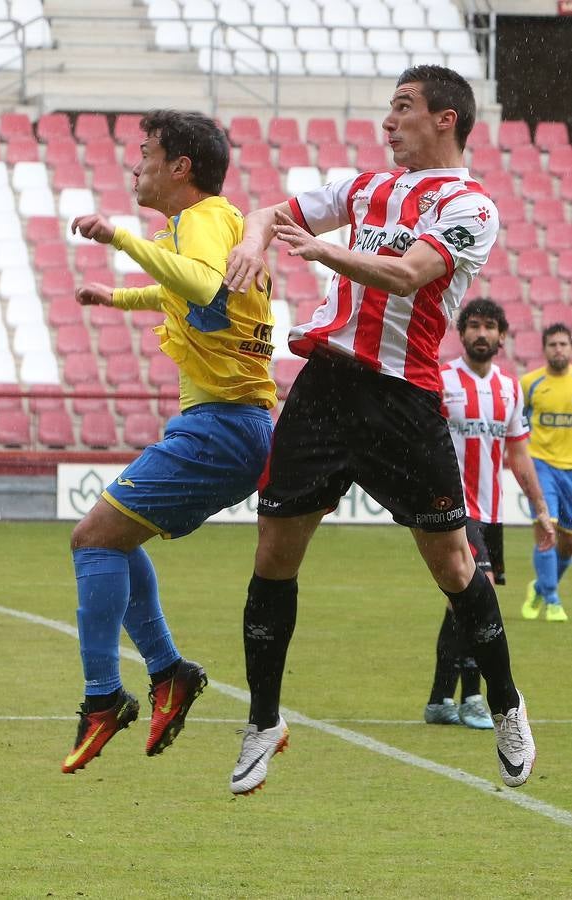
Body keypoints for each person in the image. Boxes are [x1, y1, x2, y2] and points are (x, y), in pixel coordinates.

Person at [223, 65, 537, 795]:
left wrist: (320, 249)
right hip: (325, 386)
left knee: (455, 567)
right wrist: (254, 239)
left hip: (401, 398)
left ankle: (505, 703)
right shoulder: (365, 186)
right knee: (273, 551)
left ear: (445, 119)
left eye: (403, 108)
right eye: (388, 109)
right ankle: (264, 720)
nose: (387, 121)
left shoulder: (470, 205)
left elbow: (406, 275)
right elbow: (271, 210)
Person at [61, 110, 276, 774]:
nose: (136, 164)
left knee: (93, 539)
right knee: (115, 537)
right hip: (229, 426)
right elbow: (197, 301)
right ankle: (169, 674)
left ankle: (106, 696)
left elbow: (205, 287)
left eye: (145, 152)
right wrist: (116, 298)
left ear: (180, 166)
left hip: (223, 426)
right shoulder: (219, 225)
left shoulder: (204, 221)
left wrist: (121, 240)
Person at [425, 300, 554, 730]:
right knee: (477, 602)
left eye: (490, 327)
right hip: (453, 510)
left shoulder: (510, 389)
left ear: (502, 336)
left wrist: (540, 511)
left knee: (461, 604)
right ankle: (474, 698)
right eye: (474, 325)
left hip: (492, 512)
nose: (482, 333)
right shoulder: (442, 381)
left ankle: (441, 699)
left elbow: (519, 456)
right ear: (461, 333)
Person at [520, 323, 572, 622]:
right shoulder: (530, 383)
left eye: (563, 344)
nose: (558, 349)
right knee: (546, 531)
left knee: (567, 544)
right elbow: (516, 418)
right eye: (552, 345)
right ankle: (552, 599)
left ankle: (539, 586)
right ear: (544, 349)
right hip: (541, 466)